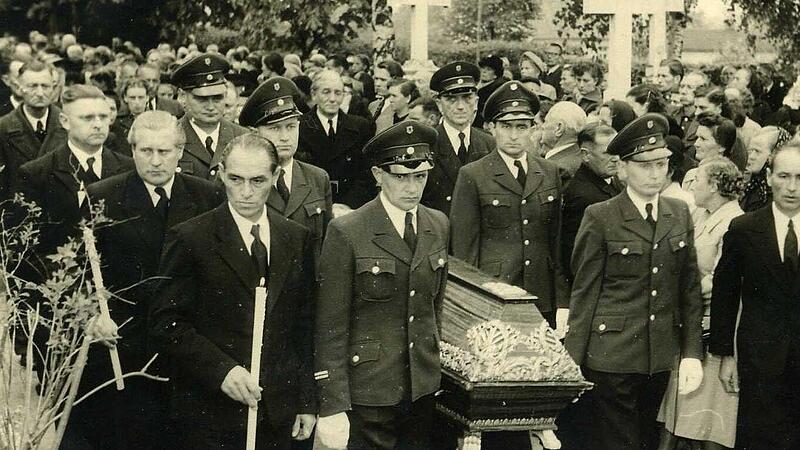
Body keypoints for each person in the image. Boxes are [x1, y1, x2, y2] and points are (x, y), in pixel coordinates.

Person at [149, 133, 317, 450]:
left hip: (277, 412)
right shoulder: (191, 237)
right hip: (210, 413)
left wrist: (307, 400)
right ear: (222, 173)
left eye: (258, 181)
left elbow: (304, 325)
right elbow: (166, 324)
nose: (246, 192)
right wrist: (222, 371)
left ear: (276, 176)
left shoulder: (296, 238)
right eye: (236, 179)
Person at [70, 110, 223, 450]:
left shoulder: (207, 196)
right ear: (133, 151)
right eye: (145, 151)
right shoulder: (102, 195)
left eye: (164, 152)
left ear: (180, 151)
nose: (155, 161)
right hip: (127, 344)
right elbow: (81, 272)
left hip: (188, 342)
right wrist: (94, 317)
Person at [564, 113, 704, 450]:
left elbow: (689, 289)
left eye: (661, 164)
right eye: (645, 165)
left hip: (658, 355)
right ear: (623, 169)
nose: (655, 173)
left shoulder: (678, 212)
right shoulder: (601, 216)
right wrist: (571, 363)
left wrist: (691, 353)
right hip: (610, 355)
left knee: (646, 439)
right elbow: (585, 291)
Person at [314, 120, 449, 450]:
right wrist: (332, 404)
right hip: (369, 391)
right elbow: (330, 326)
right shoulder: (349, 231)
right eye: (401, 176)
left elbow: (435, 307)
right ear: (378, 175)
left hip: (421, 386)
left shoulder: (438, 224)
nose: (411, 187)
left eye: (420, 176)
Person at [451, 80, 567, 327]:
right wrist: (472, 301)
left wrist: (561, 301)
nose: (514, 135)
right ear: (491, 128)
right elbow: (464, 250)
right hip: (495, 293)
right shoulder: (473, 174)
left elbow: (555, 243)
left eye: (522, 126)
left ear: (532, 129)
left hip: (540, 293)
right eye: (506, 126)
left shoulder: (549, 172)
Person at [710, 142, 800, 450]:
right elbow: (725, 294)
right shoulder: (745, 228)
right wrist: (726, 356)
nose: (792, 187)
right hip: (760, 358)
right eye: (784, 176)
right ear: (770, 177)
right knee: (759, 438)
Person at [656, 157, 744, 450]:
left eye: (698, 180)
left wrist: (678, 288)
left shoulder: (733, 222)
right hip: (689, 321)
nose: (691, 185)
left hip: (709, 326)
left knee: (706, 418)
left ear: (715, 186)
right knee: (680, 414)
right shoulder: (702, 214)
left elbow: (723, 281)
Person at [15, 84, 134, 262]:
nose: (98, 125)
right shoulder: (37, 173)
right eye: (87, 118)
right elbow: (27, 248)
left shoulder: (129, 168)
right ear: (64, 121)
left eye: (103, 117)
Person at [238, 76, 332, 262]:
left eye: (290, 127)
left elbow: (326, 248)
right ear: (255, 133)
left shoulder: (317, 178)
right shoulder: (241, 179)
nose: (285, 137)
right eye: (274, 129)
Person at [423, 61, 495, 215]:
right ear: (439, 104)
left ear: (476, 102)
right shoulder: (426, 146)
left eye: (467, 97)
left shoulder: (490, 144)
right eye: (451, 99)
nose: (461, 106)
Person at [297, 69, 375, 210]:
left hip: (350, 208)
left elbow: (367, 173)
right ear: (314, 95)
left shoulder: (360, 127)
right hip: (312, 207)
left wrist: (347, 205)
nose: (333, 99)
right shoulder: (299, 127)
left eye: (338, 93)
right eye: (326, 92)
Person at [170, 53, 249, 180]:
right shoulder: (169, 137)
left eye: (218, 98)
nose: (211, 106)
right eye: (202, 98)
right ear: (182, 96)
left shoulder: (243, 138)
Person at [560, 123, 620, 284]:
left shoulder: (611, 181)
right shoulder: (583, 195)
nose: (616, 158)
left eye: (618, 151)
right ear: (585, 155)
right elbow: (579, 256)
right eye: (608, 153)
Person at [0, 59, 67, 200]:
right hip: (22, 213)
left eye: (45, 86)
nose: (40, 93)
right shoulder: (3, 128)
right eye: (33, 86)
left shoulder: (67, 123)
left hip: (61, 211)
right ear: (19, 89)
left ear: (54, 88)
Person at [683, 112, 745, 190]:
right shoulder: (691, 174)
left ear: (722, 146)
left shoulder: (725, 182)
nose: (696, 144)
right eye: (697, 138)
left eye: (703, 139)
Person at [741, 126, 792, 212]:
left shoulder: (778, 196)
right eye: (750, 150)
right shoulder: (751, 185)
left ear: (773, 155)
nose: (751, 156)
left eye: (757, 151)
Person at [540, 100, 587, 178]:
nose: (543, 126)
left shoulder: (558, 169)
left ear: (559, 128)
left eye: (545, 121)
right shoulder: (579, 156)